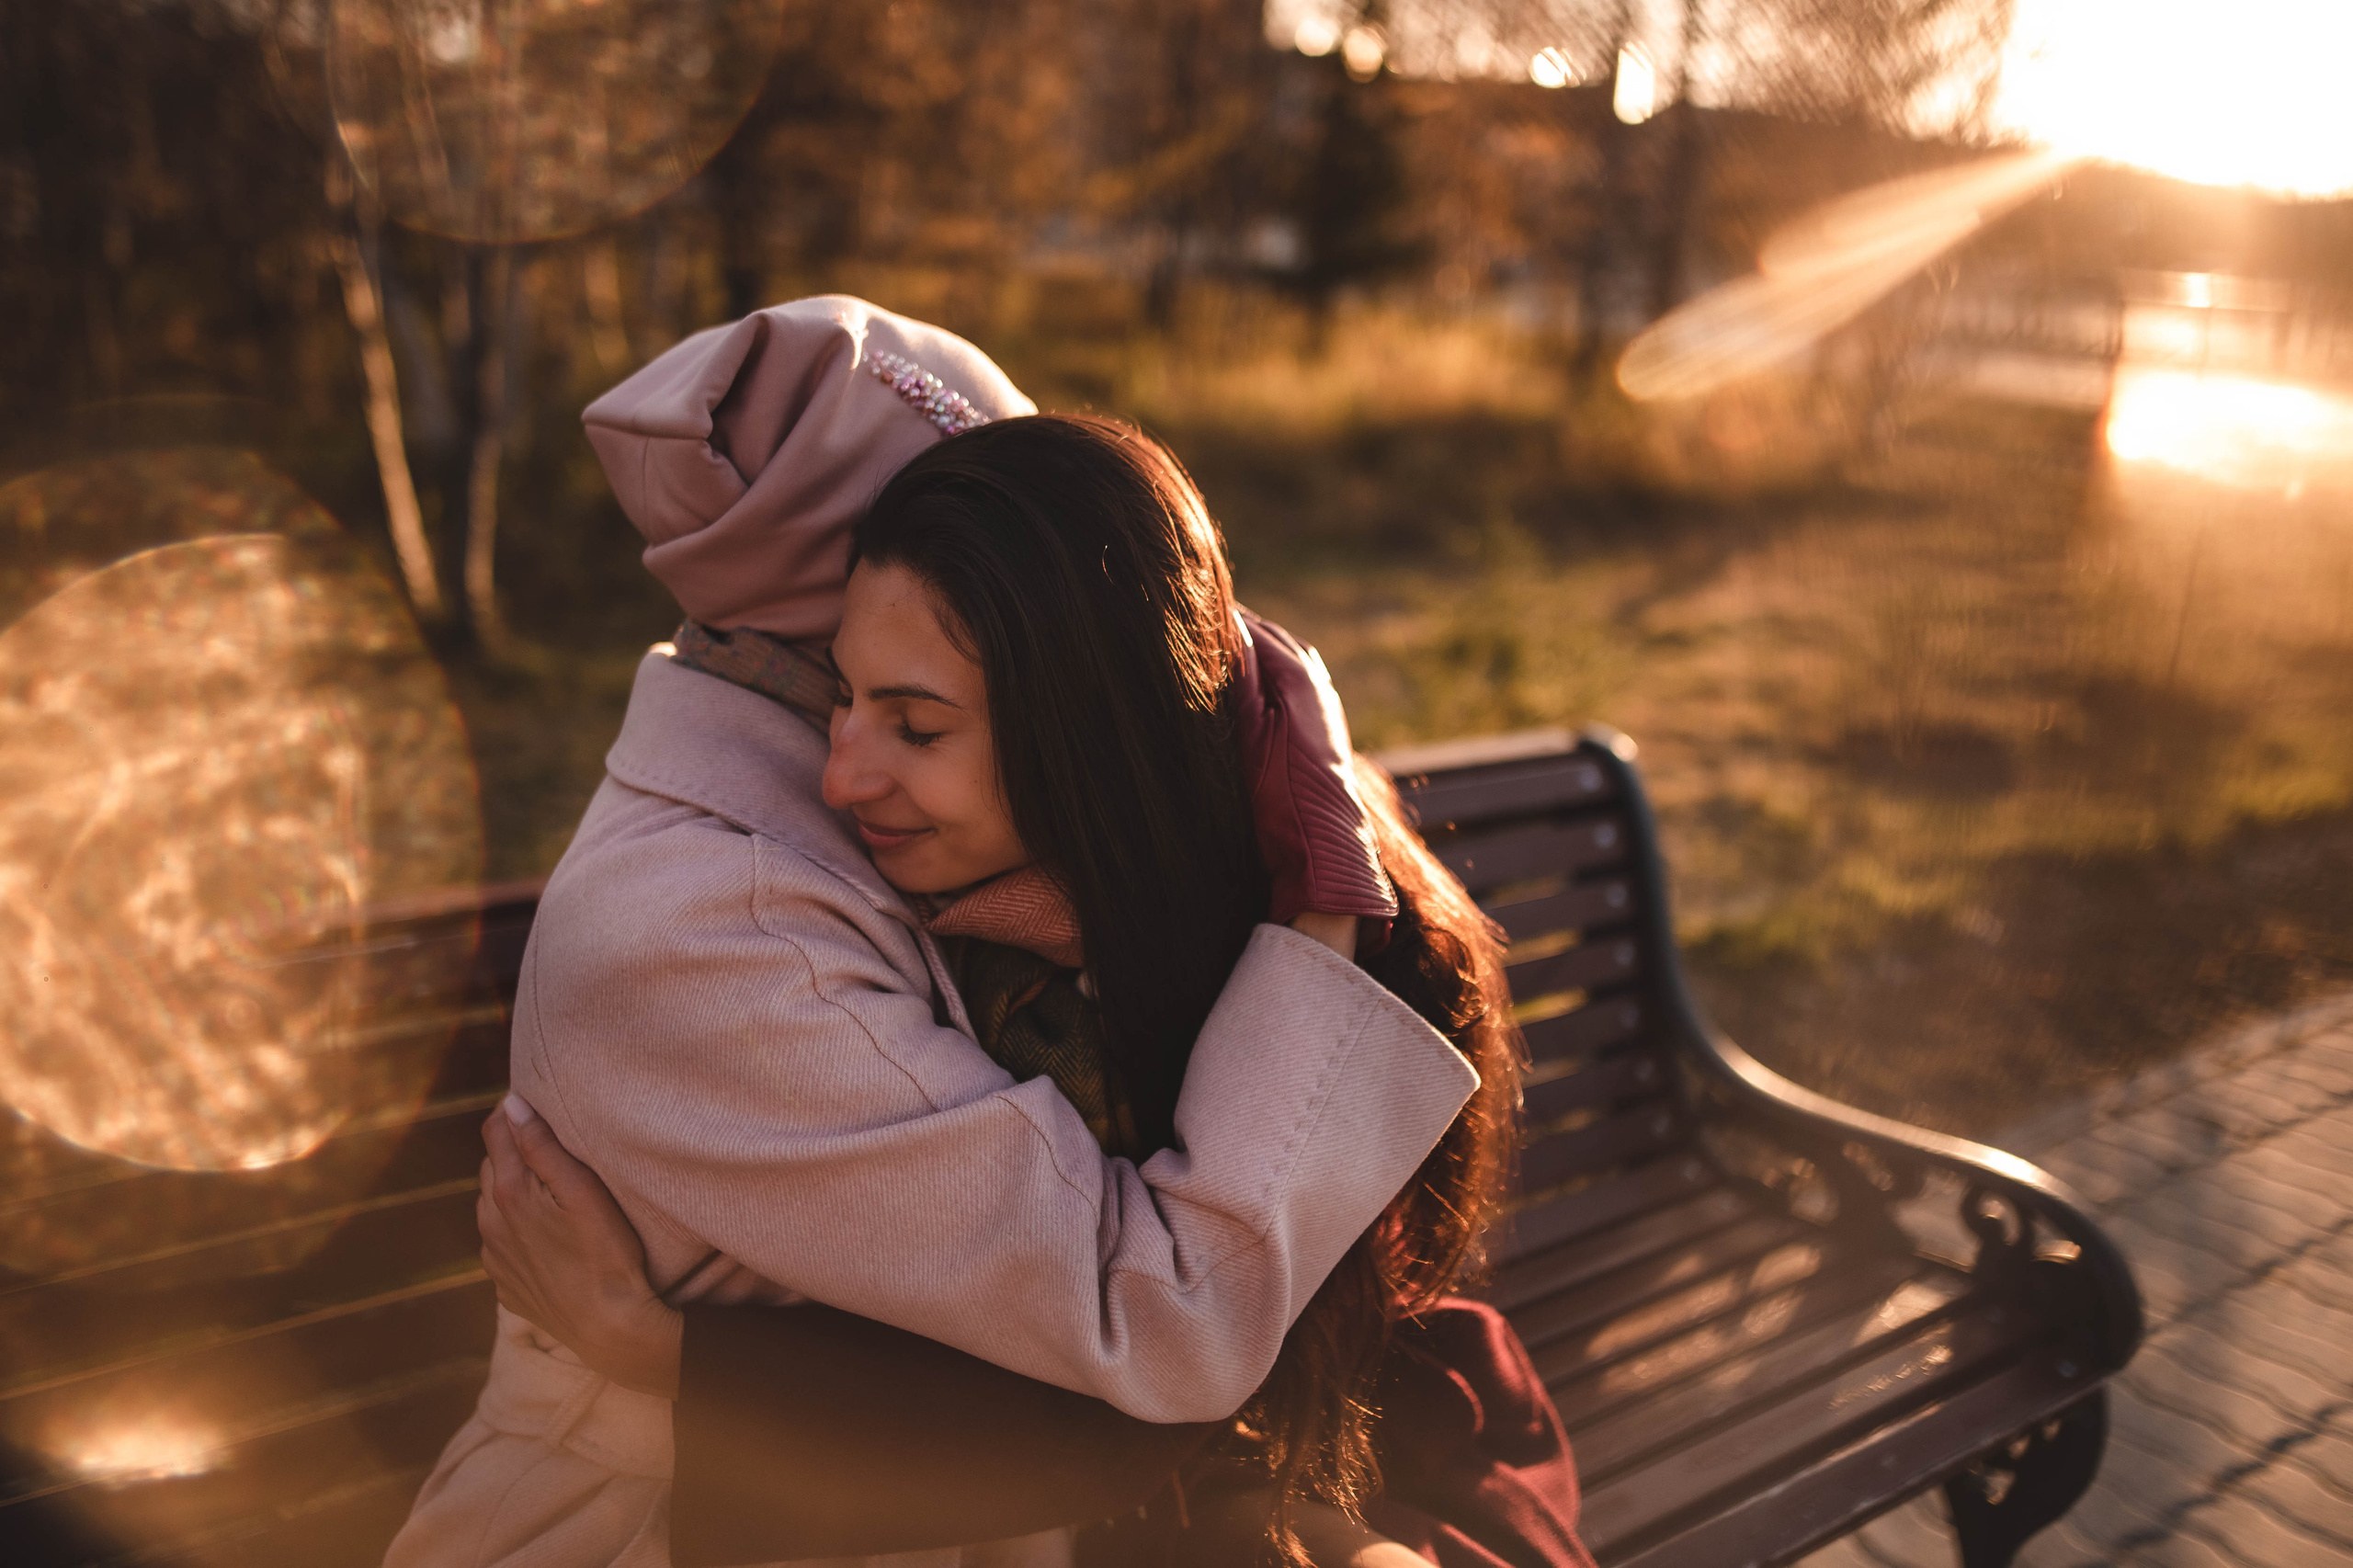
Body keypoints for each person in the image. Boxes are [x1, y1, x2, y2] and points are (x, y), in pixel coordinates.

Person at [383, 299, 1484, 1568]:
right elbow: (1159, 1319)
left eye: (917, 717)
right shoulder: (710, 936)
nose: (859, 770)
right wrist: (1322, 921)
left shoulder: (975, 873)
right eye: (861, 698)